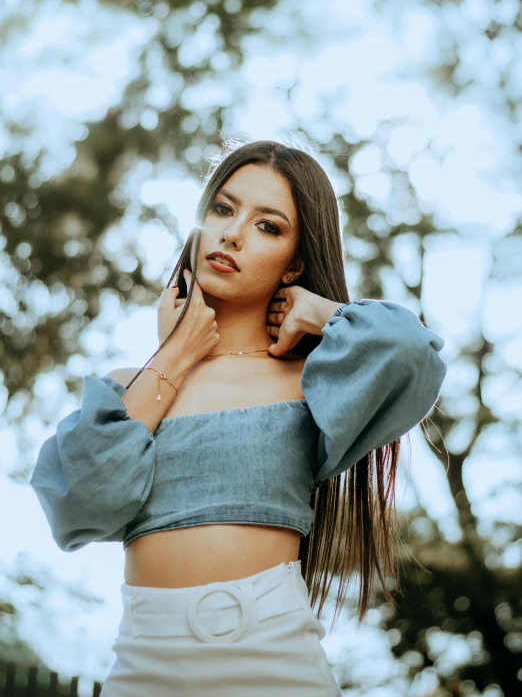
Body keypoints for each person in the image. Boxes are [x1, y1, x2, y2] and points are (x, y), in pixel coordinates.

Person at [30, 140, 447, 696]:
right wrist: (175, 354)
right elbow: (77, 505)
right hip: (145, 662)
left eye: (267, 226)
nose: (231, 233)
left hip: (275, 659)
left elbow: (415, 356)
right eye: (223, 209)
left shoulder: (309, 385)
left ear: (295, 262)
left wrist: (322, 313)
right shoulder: (131, 386)